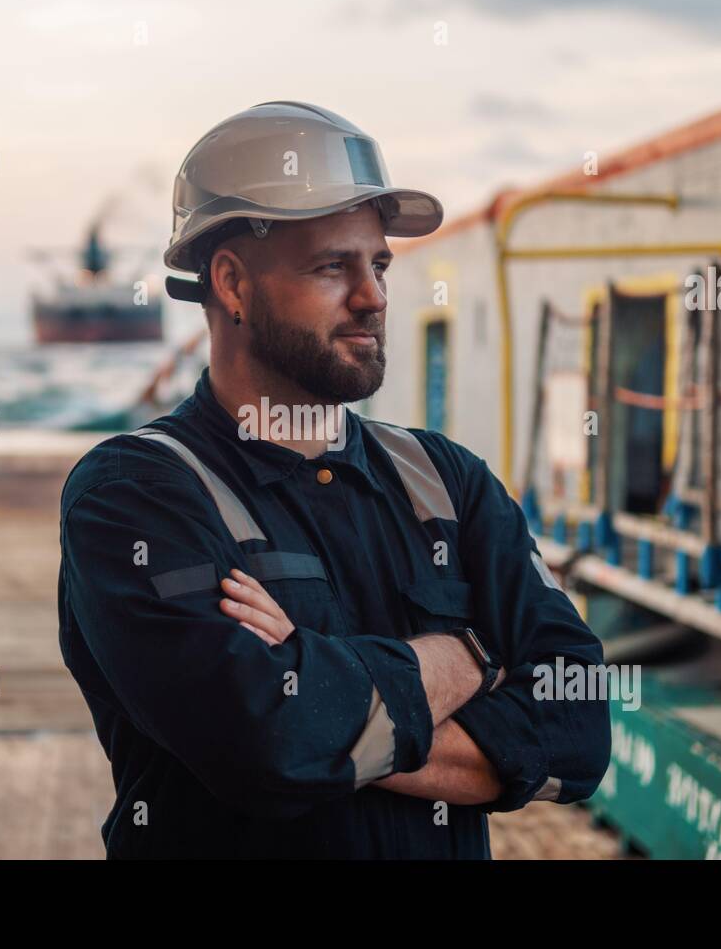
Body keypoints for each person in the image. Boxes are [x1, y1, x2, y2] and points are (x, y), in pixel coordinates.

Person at [58, 101, 611, 858]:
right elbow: (269, 746)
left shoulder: (447, 481)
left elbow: (579, 728)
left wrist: (326, 686)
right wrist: (474, 656)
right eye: (332, 267)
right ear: (232, 284)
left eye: (378, 263)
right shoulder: (134, 496)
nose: (374, 297)